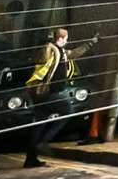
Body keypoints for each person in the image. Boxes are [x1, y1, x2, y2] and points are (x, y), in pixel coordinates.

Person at [23, 26, 98, 168]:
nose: (67, 41)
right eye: (66, 39)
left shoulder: (61, 52)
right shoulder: (50, 49)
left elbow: (74, 53)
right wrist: (48, 45)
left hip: (44, 95)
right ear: (60, 39)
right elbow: (43, 58)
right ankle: (43, 142)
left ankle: (30, 159)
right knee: (68, 111)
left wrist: (91, 42)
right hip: (51, 93)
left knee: (39, 125)